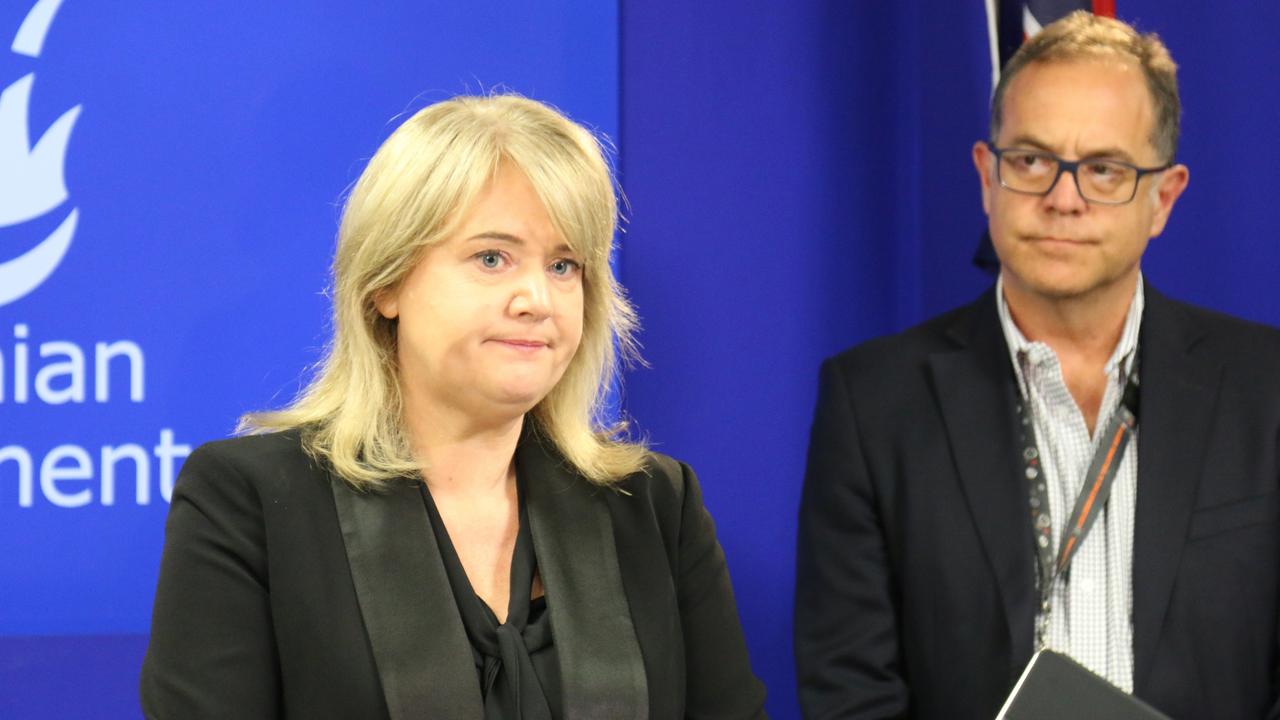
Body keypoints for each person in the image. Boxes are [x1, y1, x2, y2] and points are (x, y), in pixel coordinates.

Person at [140, 94, 766, 719]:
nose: (535, 298)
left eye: (563, 265)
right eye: (491, 258)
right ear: (386, 282)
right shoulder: (250, 502)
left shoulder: (655, 505)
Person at [795, 12, 1280, 720]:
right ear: (987, 177)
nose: (1063, 197)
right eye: (1031, 160)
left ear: (1164, 198)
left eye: (1105, 170)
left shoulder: (1266, 393)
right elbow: (850, 692)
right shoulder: (872, 405)